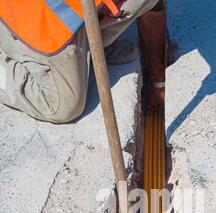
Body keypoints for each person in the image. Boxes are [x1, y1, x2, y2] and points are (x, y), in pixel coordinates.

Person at [0, 0, 166, 123]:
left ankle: (90, 44)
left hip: (77, 9)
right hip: (34, 15)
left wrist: (158, 81)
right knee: (64, 106)